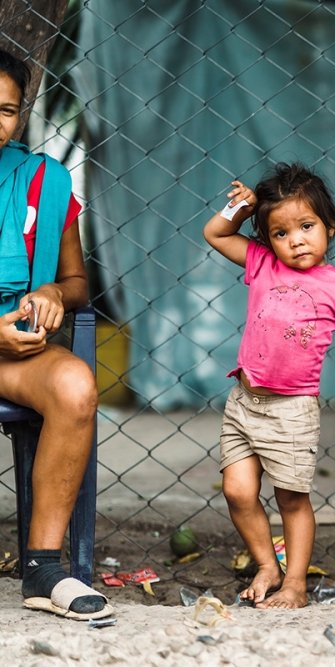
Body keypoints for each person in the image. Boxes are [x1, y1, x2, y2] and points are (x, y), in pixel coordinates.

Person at [203, 163, 335, 609]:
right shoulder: (262, 261)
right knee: (237, 490)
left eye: (306, 227)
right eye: (282, 233)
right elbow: (215, 233)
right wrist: (244, 208)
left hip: (292, 411)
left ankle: (296, 585)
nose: (296, 240)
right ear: (268, 239)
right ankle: (268, 564)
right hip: (244, 402)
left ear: (329, 226)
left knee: (291, 498)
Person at [0, 49, 108, 621]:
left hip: (15, 351)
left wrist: (52, 295)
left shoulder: (43, 181)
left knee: (74, 385)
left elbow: (74, 281)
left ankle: (43, 569)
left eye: (8, 110)